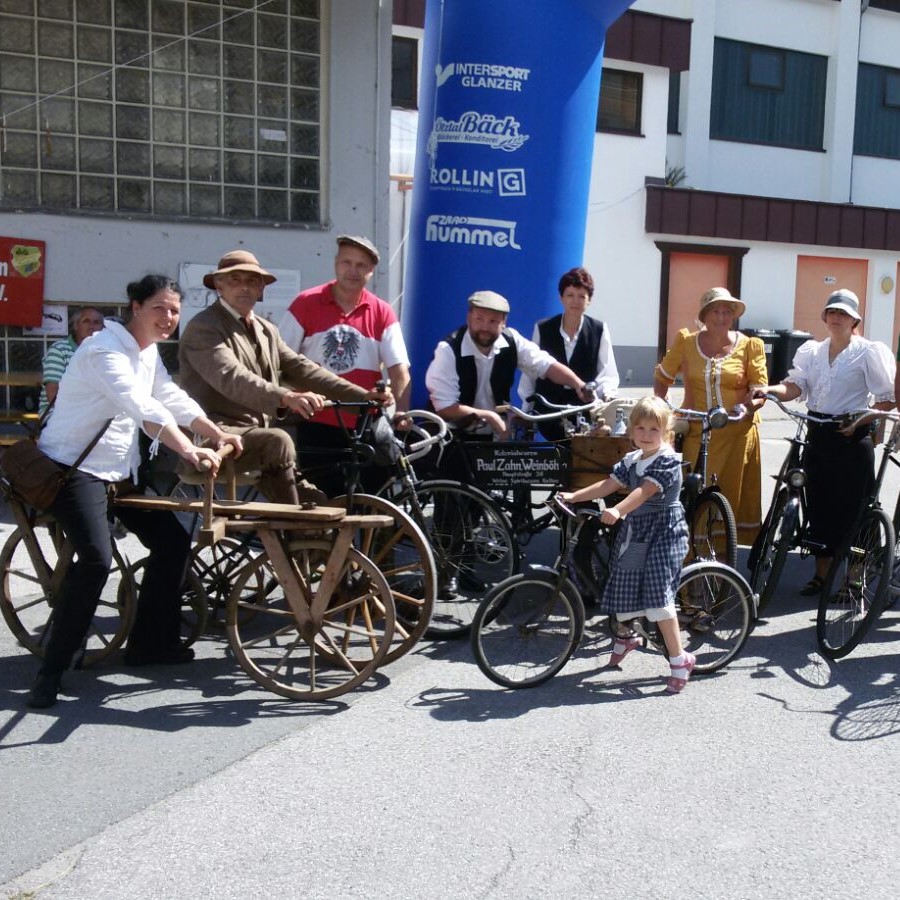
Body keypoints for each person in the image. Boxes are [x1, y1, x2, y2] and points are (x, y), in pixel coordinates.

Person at [26, 276, 242, 709]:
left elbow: (169, 396)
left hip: (119, 472)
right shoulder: (102, 350)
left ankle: (151, 645)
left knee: (173, 539)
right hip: (74, 470)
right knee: (95, 560)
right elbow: (143, 408)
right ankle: (51, 670)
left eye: (175, 310)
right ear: (135, 306)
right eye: (160, 308)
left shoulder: (146, 354)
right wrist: (189, 450)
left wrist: (215, 432)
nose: (168, 318)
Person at [178, 250, 389, 505]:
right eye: (235, 279)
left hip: (253, 438)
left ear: (261, 289)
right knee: (278, 441)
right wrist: (285, 396)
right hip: (214, 435)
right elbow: (232, 377)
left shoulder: (266, 329)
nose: (245, 287)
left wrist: (363, 396)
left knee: (321, 504)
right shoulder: (205, 327)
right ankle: (293, 527)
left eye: (253, 281)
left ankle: (299, 530)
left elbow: (303, 369)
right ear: (219, 285)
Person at [754, 289, 895, 596]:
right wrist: (770, 390)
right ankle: (822, 575)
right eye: (832, 311)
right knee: (818, 504)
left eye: (843, 313)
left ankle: (854, 579)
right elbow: (796, 386)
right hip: (818, 432)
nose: (836, 317)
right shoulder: (813, 351)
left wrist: (861, 420)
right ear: (824, 316)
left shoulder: (868, 351)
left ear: (855, 319)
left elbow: (886, 400)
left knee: (855, 508)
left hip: (851, 435)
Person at [560, 396, 694, 692]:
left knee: (658, 599)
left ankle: (679, 658)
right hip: (637, 529)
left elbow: (644, 493)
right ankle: (627, 636)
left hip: (664, 531)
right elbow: (609, 484)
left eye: (654, 430)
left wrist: (619, 510)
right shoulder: (632, 460)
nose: (646, 435)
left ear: (666, 433)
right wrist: (573, 496)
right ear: (631, 431)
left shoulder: (668, 460)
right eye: (641, 428)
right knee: (622, 584)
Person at [277, 234, 411, 495]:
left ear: (371, 272)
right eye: (346, 262)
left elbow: (399, 370)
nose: (353, 270)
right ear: (336, 263)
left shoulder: (382, 311)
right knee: (321, 502)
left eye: (361, 265)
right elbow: (280, 358)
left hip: (366, 422)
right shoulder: (306, 303)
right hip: (318, 421)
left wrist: (401, 413)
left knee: (375, 503)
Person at [654, 286, 768, 545]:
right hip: (699, 431)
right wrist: (662, 410)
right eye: (715, 310)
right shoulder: (686, 341)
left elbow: (759, 390)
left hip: (738, 435)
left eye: (727, 311)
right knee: (696, 495)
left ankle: (722, 567)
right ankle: (691, 562)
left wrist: (748, 407)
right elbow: (663, 377)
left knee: (727, 500)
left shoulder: (750, 346)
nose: (721, 316)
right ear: (704, 315)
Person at [425, 289, 593, 440]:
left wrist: (578, 385)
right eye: (479, 319)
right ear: (469, 317)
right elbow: (445, 407)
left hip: (491, 438)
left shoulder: (512, 340)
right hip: (449, 437)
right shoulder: (448, 350)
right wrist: (490, 416)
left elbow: (546, 365)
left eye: (493, 321)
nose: (485, 327)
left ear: (504, 322)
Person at [518, 267, 619, 441]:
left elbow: (607, 373)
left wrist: (605, 395)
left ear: (589, 300)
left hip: (584, 413)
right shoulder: (543, 328)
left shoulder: (599, 330)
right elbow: (531, 371)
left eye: (582, 296)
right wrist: (526, 410)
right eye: (570, 295)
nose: (575, 301)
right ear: (561, 298)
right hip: (548, 412)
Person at [38, 306, 105, 413]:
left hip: (94, 412)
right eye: (86, 321)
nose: (92, 326)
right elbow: (53, 395)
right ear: (75, 326)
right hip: (58, 414)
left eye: (96, 322)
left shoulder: (106, 352)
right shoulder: (59, 350)